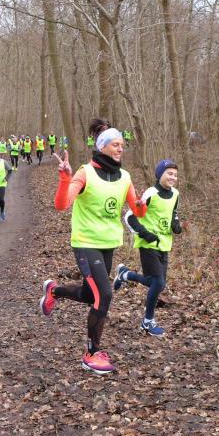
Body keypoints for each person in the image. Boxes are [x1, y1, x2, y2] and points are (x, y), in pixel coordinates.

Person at [39, 118, 147, 375]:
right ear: (102, 146)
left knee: (91, 295)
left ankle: (54, 291)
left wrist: (144, 203)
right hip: (86, 243)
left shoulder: (125, 177)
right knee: (104, 295)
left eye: (122, 145)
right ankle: (91, 354)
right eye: (115, 144)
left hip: (108, 243)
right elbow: (62, 205)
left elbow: (137, 212)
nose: (120, 149)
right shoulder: (85, 173)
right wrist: (65, 178)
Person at [113, 159, 183, 336]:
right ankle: (148, 321)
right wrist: (144, 233)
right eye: (169, 173)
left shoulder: (175, 194)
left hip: (164, 244)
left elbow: (173, 213)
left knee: (157, 283)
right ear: (159, 174)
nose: (173, 177)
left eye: (175, 175)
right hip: (148, 243)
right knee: (158, 282)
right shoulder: (150, 193)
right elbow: (130, 216)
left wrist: (175, 224)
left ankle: (125, 274)